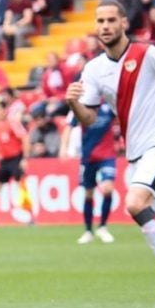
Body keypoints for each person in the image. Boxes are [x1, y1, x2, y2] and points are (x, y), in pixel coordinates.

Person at [66, 0, 155, 301]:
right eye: (100, 21)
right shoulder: (94, 69)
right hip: (137, 153)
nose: (105, 26)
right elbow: (88, 118)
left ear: (124, 23)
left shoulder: (149, 54)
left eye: (111, 20)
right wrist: (74, 103)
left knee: (135, 202)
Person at [62, 102, 118, 244]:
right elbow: (69, 127)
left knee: (107, 189)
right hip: (88, 157)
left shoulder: (108, 106)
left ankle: (103, 227)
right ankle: (88, 231)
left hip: (107, 156)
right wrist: (64, 148)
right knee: (88, 193)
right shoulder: (81, 108)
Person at [0, 95, 34, 226]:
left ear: (4, 110)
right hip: (4, 161)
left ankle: (29, 216)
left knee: (21, 187)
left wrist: (24, 158)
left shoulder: (13, 123)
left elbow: (25, 139)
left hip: (16, 159)